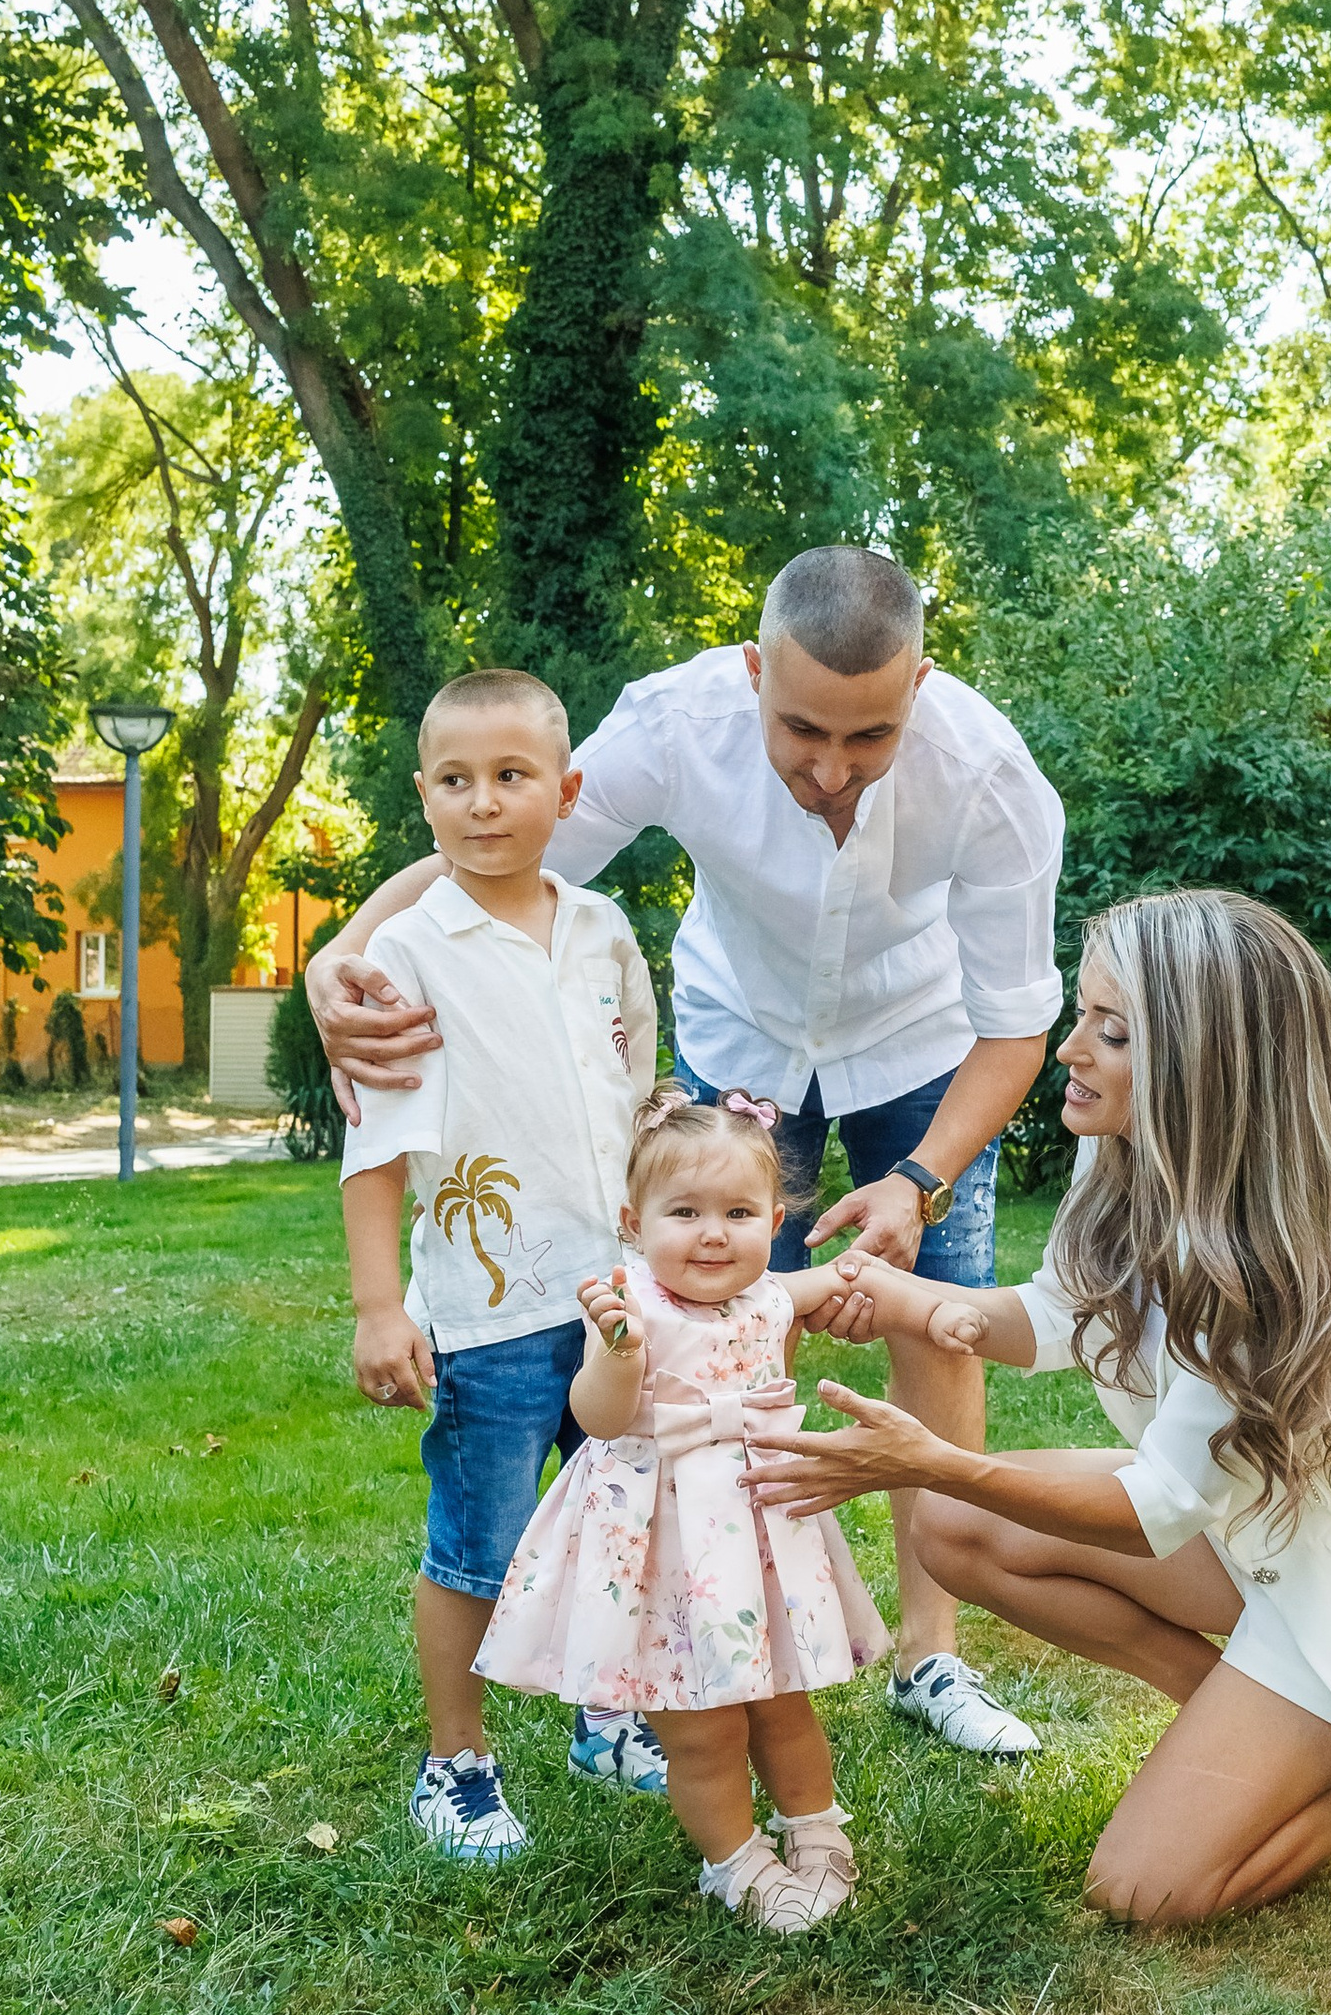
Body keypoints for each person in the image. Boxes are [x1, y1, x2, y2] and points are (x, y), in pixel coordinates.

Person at [310, 545, 1063, 1767]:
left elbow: (1017, 1025)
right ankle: (712, 1628)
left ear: (920, 685)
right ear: (752, 670)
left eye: (867, 740)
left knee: (936, 1324)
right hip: (741, 1042)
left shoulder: (992, 781)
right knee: (695, 1337)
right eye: (801, 728)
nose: (830, 771)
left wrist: (918, 1181)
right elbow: (503, 850)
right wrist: (336, 952)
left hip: (924, 1046)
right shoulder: (673, 720)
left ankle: (932, 1656)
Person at [756, 889, 1331, 1919]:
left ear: (1206, 1068)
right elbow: (1063, 1313)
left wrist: (925, 1460)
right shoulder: (1127, 1155)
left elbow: (1154, 1510)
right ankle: (1254, 1729)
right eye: (1081, 1017)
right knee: (957, 1532)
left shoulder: (1272, 1269)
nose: (1068, 1052)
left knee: (1144, 1890)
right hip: (1250, 1544)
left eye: (1111, 1032)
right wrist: (910, 1305)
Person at [479, 1084, 935, 1930]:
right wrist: (617, 1354)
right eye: (684, 1211)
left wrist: (928, 1306)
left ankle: (815, 1830)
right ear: (633, 1220)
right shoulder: (627, 1305)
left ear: (774, 1219)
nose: (713, 1233)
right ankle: (736, 1862)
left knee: (782, 1699)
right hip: (660, 1540)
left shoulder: (767, 1295)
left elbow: (840, 1276)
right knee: (700, 1723)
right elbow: (600, 1419)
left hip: (757, 1530)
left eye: (738, 1212)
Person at [340, 666, 657, 1864]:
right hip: (489, 1313)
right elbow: (378, 1150)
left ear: (566, 791)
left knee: (621, 1515)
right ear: (422, 795)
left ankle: (606, 1714)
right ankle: (456, 1763)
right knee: (479, 1541)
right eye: (457, 781)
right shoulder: (408, 955)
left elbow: (631, 1094)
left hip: (613, 1295)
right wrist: (381, 1307)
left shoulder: (604, 932)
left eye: (512, 776)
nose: (484, 803)